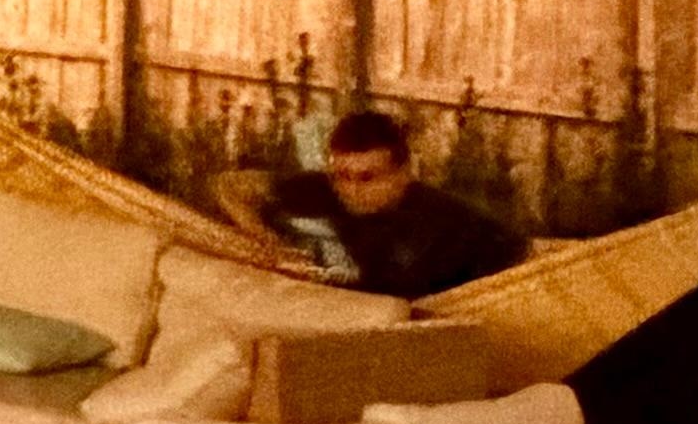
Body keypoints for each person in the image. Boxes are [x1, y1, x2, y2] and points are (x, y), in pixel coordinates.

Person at [213, 104, 516, 300]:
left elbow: (517, 261)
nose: (352, 189)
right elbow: (230, 185)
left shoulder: (440, 224)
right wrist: (262, 237)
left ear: (404, 173)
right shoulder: (323, 190)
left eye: (368, 178)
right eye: (343, 176)